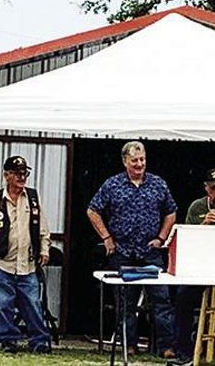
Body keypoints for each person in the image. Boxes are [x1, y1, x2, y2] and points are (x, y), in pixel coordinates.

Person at [87, 141, 176, 359]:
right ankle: (129, 346)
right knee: (125, 303)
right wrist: (106, 237)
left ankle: (166, 347)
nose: (139, 164)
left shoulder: (158, 184)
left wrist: (161, 238)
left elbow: (171, 212)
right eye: (134, 160)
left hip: (151, 252)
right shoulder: (113, 184)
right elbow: (92, 210)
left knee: (161, 300)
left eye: (142, 159)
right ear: (125, 161)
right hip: (122, 251)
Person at [0, 155, 51, 354]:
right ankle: (8, 341)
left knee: (33, 304)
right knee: (4, 305)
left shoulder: (33, 198)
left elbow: (43, 229)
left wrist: (44, 250)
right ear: (6, 175)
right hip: (3, 263)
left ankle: (39, 341)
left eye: (24, 173)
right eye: (17, 173)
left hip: (27, 264)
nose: (22, 177)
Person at [169, 168, 215, 366]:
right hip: (202, 269)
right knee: (183, 296)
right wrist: (203, 226)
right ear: (207, 189)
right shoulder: (197, 207)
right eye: (214, 188)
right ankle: (183, 351)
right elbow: (188, 241)